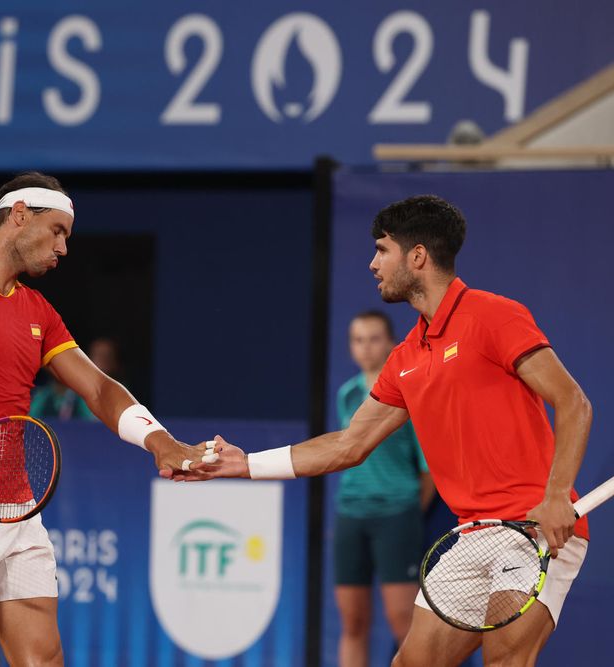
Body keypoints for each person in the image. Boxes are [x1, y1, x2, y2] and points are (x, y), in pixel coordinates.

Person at [177, 195, 591, 667]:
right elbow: (348, 445)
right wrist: (245, 464)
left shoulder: (494, 315)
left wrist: (558, 495)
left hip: (536, 529)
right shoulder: (406, 358)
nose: (373, 264)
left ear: (417, 256)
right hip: (473, 534)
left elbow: (574, 402)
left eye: (382, 250)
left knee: (505, 660)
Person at [0, 172, 203, 667]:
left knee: (43, 662)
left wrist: (160, 441)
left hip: (18, 512)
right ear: (19, 215)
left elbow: (98, 387)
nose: (63, 249)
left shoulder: (39, 311)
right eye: (58, 231)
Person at [333, 310, 434, 666]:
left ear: (391, 344)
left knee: (403, 622)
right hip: (350, 515)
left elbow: (428, 470)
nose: (366, 348)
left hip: (397, 516)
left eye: (374, 338)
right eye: (358, 340)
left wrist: (405, 511)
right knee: (353, 621)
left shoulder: (408, 393)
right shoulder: (346, 395)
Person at [29, 338, 121, 421]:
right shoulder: (40, 396)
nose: (59, 364)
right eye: (51, 358)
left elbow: (96, 426)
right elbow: (28, 424)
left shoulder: (85, 395)